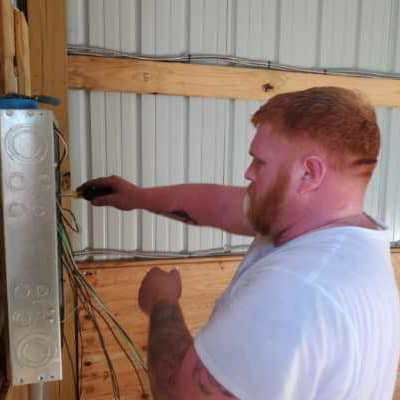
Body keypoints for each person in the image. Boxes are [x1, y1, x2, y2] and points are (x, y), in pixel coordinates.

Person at [78, 87, 400, 400]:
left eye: (260, 162)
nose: (248, 172)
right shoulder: (345, 238)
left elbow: (179, 392)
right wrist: (137, 197)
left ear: (309, 173)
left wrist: (162, 304)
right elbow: (220, 205)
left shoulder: (296, 290)